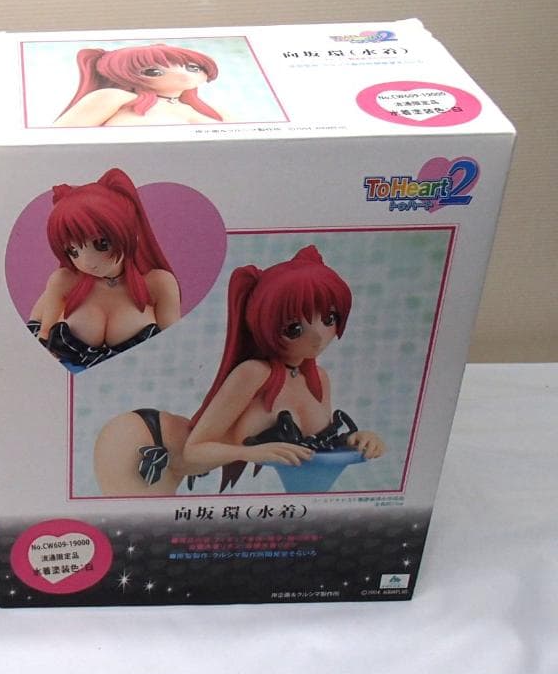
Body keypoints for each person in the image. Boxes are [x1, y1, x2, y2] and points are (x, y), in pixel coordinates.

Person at [94, 245, 384, 495]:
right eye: (295, 328)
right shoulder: (254, 373)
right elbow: (193, 451)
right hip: (146, 440)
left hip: (181, 460)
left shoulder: (318, 379)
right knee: (141, 531)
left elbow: (318, 445)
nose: (318, 336)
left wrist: (357, 440)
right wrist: (250, 453)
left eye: (330, 318)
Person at [27, 168, 180, 369]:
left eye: (101, 244)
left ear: (130, 233)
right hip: (64, 385)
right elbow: (40, 339)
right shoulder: (64, 281)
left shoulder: (158, 284)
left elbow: (172, 350)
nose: (87, 262)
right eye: (73, 251)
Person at [53, 44, 224, 127]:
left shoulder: (207, 109)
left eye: (193, 68)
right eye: (154, 72)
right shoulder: (115, 97)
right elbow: (58, 141)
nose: (183, 74)